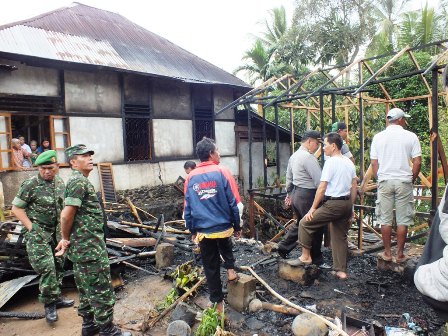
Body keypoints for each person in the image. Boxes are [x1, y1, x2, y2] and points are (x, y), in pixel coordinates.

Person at [55, 144, 131, 336]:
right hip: (89, 249)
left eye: (90, 154)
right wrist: (64, 238)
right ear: (73, 162)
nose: (89, 157)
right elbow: (66, 216)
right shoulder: (78, 182)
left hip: (83, 248)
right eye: (84, 155)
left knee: (86, 287)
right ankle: (108, 330)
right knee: (101, 288)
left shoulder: (77, 181)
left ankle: (89, 326)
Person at [11, 150, 74, 324]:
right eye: (43, 168)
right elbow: (16, 209)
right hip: (38, 235)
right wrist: (31, 228)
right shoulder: (30, 184)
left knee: (59, 264)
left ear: (57, 167)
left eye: (50, 168)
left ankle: (56, 297)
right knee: (46, 267)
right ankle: (49, 304)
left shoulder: (60, 183)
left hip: (56, 233)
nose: (46, 172)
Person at [184, 137, 241, 314]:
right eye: (217, 150)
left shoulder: (191, 177)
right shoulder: (222, 171)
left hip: (203, 230)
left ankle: (217, 304)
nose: (219, 153)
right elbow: (233, 202)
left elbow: (188, 207)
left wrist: (192, 230)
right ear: (211, 153)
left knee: (210, 266)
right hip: (224, 227)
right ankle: (231, 271)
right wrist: (237, 226)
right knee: (226, 245)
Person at [296, 133, 357, 280]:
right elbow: (354, 186)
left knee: (305, 223)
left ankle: (305, 257)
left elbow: (322, 187)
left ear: (334, 146)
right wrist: (351, 208)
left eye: (325, 145)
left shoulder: (331, 162)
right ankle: (341, 271)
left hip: (333, 203)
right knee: (339, 236)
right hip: (346, 203)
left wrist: (312, 209)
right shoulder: (349, 162)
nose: (323, 148)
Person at [370, 107, 421, 263]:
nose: (405, 121)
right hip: (403, 181)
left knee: (385, 219)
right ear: (400, 120)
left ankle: (387, 253)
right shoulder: (411, 136)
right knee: (403, 220)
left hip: (385, 181)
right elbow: (417, 161)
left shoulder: (378, 137)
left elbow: (374, 163)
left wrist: (380, 178)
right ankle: (399, 254)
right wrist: (411, 178)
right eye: (404, 119)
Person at [277, 130, 327, 267]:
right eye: (317, 143)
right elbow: (319, 181)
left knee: (301, 223)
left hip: (297, 193)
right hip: (308, 195)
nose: (317, 146)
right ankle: (316, 258)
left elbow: (288, 178)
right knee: (315, 225)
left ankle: (283, 247)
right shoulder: (308, 158)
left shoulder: (294, 156)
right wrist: (325, 197)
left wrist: (290, 194)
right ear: (309, 141)